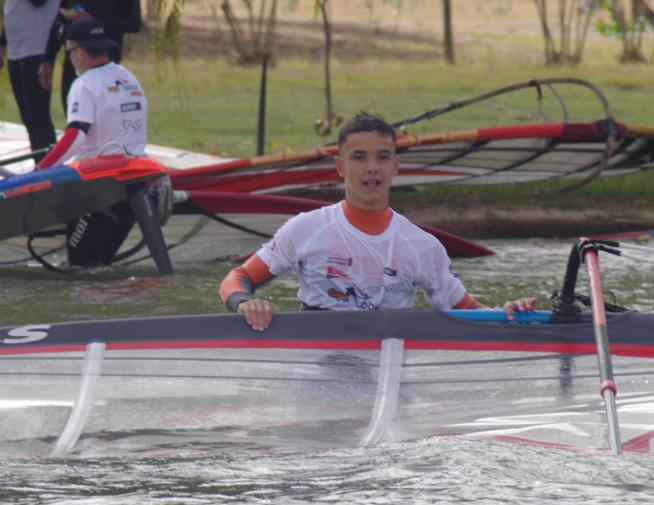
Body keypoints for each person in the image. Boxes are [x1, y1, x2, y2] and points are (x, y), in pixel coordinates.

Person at [219, 113, 537, 331]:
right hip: (316, 376)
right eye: (359, 157)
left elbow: (467, 311)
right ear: (340, 166)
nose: (372, 168)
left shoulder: (423, 246)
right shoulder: (304, 229)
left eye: (382, 157)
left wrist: (508, 312)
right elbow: (237, 278)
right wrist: (247, 304)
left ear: (395, 166)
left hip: (389, 374)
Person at [37, 19, 149, 267]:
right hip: (134, 185)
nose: (70, 60)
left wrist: (42, 169)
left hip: (98, 189)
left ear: (80, 52)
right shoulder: (128, 76)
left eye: (69, 53)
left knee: (82, 269)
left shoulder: (84, 84)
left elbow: (76, 136)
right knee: (102, 266)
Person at [38, 0, 141, 115]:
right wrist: (48, 58)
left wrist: (94, 22)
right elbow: (60, 20)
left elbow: (134, 23)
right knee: (71, 107)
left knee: (99, 112)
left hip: (104, 54)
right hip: (74, 54)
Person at [0, 0, 61, 162]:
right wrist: (2, 44)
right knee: (27, 116)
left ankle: (51, 165)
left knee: (38, 115)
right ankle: (39, 163)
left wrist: (48, 58)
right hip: (16, 48)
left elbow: (38, 2)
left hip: (36, 48)